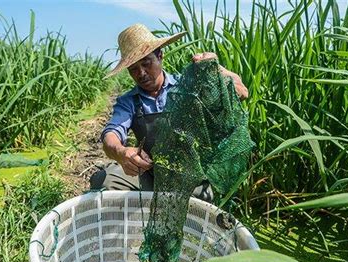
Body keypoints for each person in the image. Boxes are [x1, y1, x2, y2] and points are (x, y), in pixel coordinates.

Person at [90, 23, 248, 202]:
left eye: (146, 63)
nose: (141, 73)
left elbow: (241, 92)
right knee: (106, 181)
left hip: (189, 176)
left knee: (199, 201)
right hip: (149, 174)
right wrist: (121, 152)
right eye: (133, 68)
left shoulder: (187, 86)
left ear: (160, 56)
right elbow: (111, 133)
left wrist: (214, 69)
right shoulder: (129, 101)